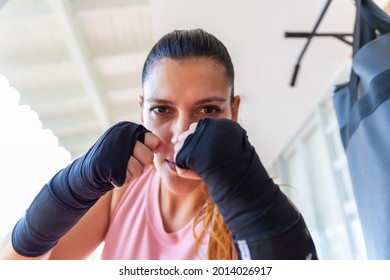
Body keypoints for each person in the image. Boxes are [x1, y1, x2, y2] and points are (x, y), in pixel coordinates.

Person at [0, 29, 318, 260]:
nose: (180, 135)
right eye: (161, 110)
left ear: (233, 113)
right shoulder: (119, 191)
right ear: (141, 111)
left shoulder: (257, 207)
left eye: (208, 110)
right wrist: (75, 182)